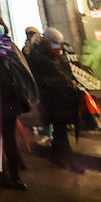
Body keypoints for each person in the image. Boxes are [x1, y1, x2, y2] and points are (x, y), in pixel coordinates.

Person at [0, 16, 38, 191]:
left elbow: (22, 70)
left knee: (9, 138)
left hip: (10, 98)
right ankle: (1, 173)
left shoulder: (10, 46)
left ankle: (14, 176)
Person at [28, 28, 85, 175]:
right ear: (46, 42)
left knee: (61, 129)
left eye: (58, 43)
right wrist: (63, 83)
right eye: (54, 42)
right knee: (60, 129)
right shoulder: (38, 56)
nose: (57, 45)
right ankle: (70, 160)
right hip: (51, 99)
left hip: (63, 98)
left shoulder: (58, 54)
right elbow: (42, 77)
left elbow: (66, 71)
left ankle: (56, 156)